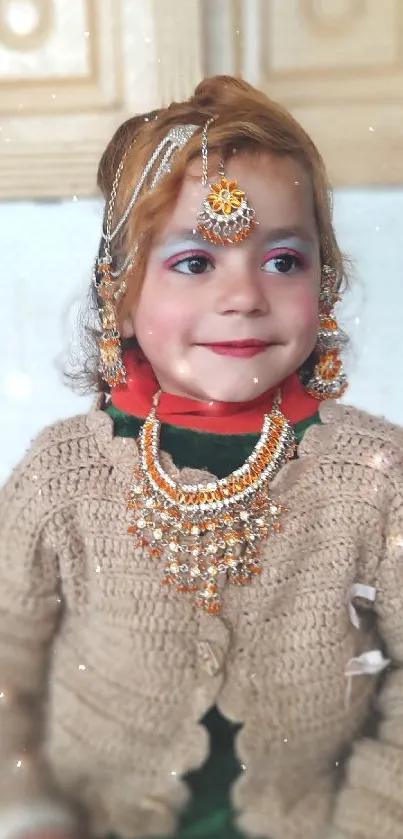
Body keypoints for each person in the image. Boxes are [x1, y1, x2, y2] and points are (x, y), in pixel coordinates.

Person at [0, 74, 402, 839]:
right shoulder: (61, 478)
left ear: (324, 283)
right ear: (119, 294)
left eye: (283, 260)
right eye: (195, 263)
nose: (245, 294)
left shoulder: (377, 478)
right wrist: (28, 812)